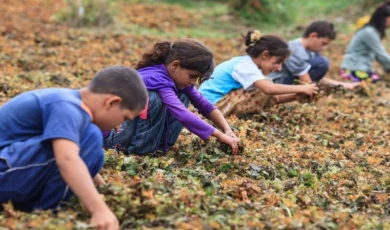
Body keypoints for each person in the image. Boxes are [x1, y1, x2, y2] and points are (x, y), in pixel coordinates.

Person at [0, 66, 148, 230]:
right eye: (124, 118)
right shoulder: (67, 107)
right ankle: (46, 214)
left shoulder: (68, 101)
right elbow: (67, 159)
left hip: (11, 170)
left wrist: (104, 191)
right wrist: (99, 210)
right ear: (112, 102)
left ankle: (39, 209)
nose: (119, 126)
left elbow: (83, 159)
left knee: (93, 147)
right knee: (90, 137)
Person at [104, 39, 240, 155]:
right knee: (153, 99)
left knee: (183, 94)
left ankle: (159, 147)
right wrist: (220, 135)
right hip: (114, 138)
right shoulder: (155, 78)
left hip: (130, 133)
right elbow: (182, 114)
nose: (193, 82)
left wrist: (227, 130)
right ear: (175, 65)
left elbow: (205, 106)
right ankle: (140, 152)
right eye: (192, 76)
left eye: (198, 79)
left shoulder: (177, 80)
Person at [198, 30, 319, 117]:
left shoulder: (249, 65)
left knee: (264, 86)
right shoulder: (245, 66)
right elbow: (268, 90)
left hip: (213, 104)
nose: (279, 68)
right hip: (210, 106)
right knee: (266, 85)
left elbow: (271, 96)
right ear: (265, 55)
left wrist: (295, 95)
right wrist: (302, 88)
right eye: (278, 62)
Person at [269, 20, 360, 89]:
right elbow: (307, 81)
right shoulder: (295, 50)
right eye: (323, 43)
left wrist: (345, 85)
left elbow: (317, 78)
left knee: (320, 61)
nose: (324, 48)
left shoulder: (310, 52)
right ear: (313, 36)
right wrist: (318, 93)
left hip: (290, 80)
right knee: (322, 63)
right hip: (278, 83)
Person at [340, 1, 390, 82]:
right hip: (353, 70)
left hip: (361, 68)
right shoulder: (369, 32)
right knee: (378, 84)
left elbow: (379, 57)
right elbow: (381, 55)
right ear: (384, 17)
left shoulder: (373, 32)